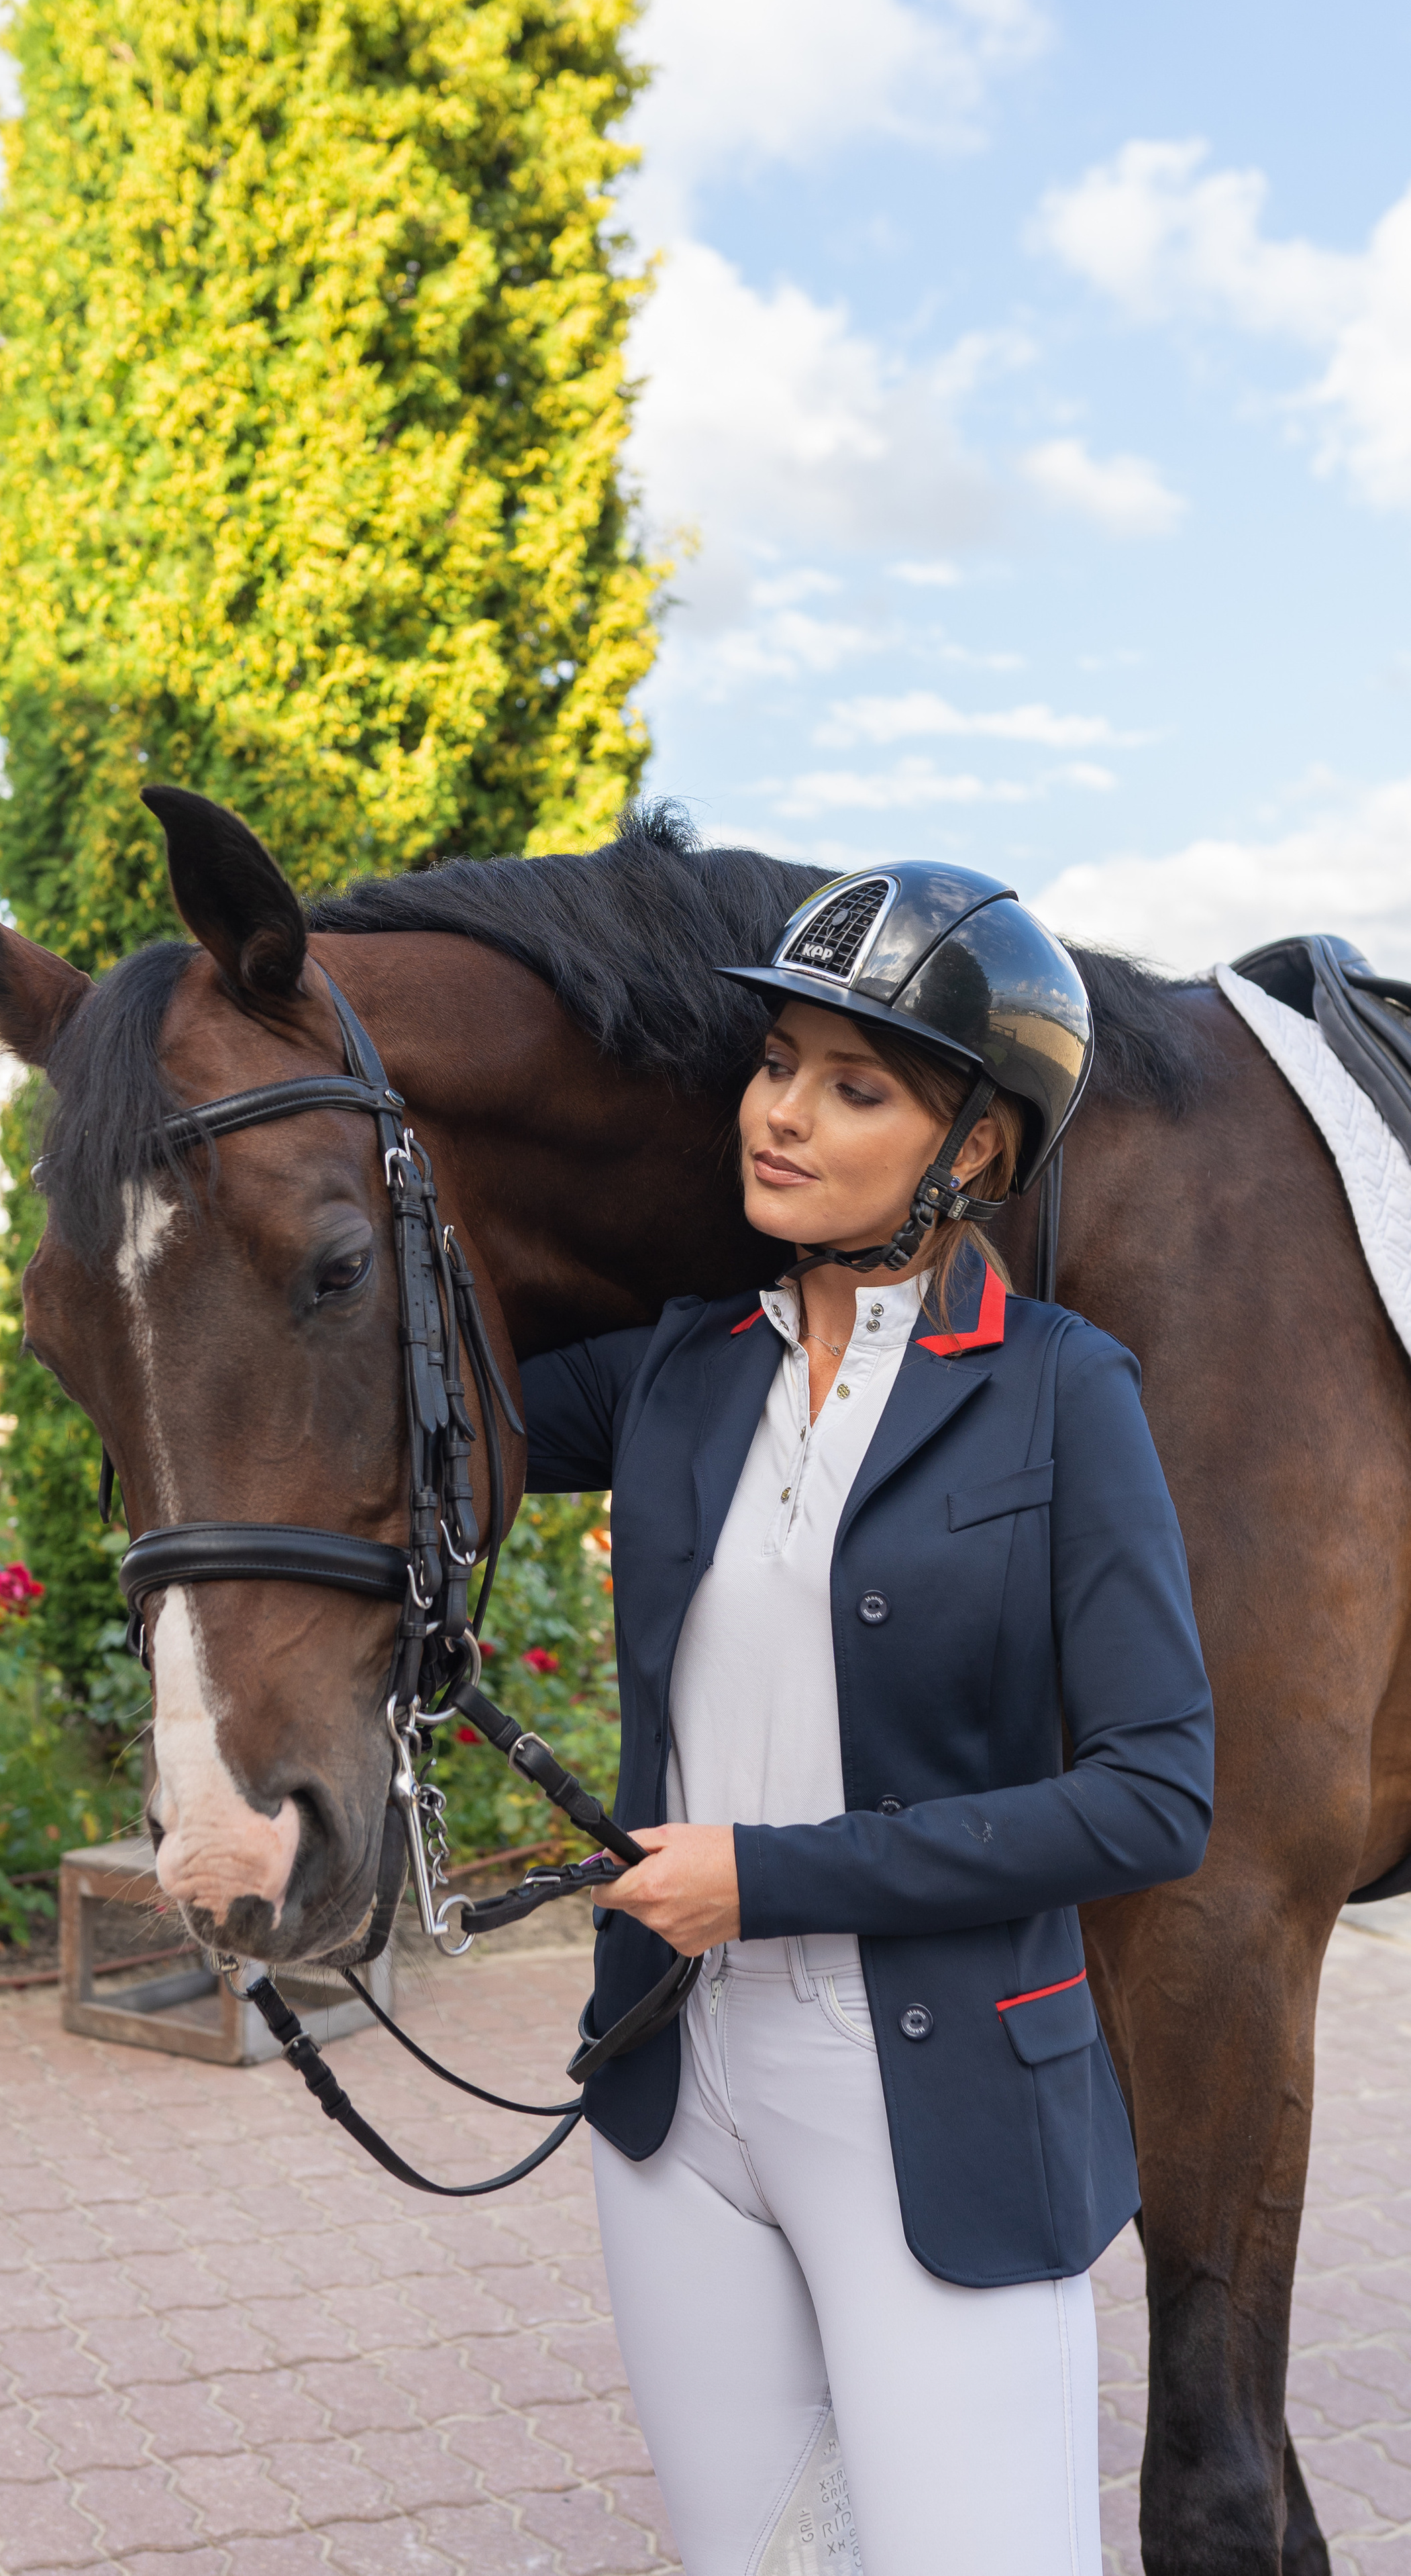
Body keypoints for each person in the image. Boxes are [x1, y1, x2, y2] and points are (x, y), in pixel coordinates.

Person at [519, 862, 1214, 2576]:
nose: (778, 1113)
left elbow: (1151, 1801)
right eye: (775, 1063)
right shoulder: (674, 1371)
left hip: (944, 2091)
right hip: (675, 2093)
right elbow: (385, 1406)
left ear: (969, 1147)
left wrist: (769, 1875)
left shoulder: (1061, 1390)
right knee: (752, 2557)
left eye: (855, 1085)